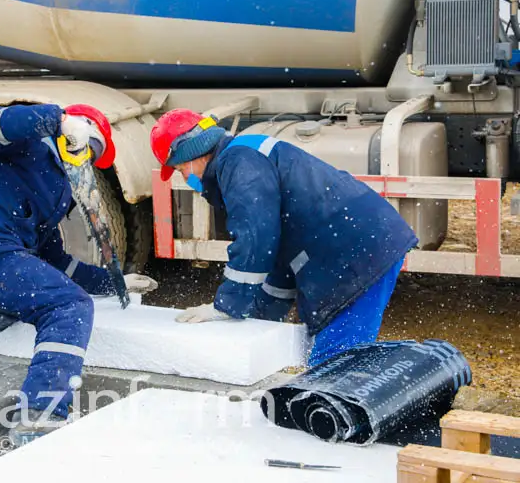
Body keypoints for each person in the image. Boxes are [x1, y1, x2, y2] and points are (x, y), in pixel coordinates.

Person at [0, 103, 157, 447]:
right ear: (72, 134)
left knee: (43, 291)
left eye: (93, 155)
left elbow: (56, 263)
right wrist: (57, 119)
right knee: (70, 307)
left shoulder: (58, 191)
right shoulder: (23, 144)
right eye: (88, 146)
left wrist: (114, 281)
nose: (88, 158)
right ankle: (41, 413)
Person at [150, 109, 417, 367]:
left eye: (179, 169)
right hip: (358, 242)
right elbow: (278, 251)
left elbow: (255, 238)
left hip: (357, 252)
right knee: (332, 359)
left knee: (334, 365)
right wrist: (263, 314)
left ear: (190, 152)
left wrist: (228, 305)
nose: (185, 178)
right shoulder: (242, 153)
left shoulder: (238, 163)